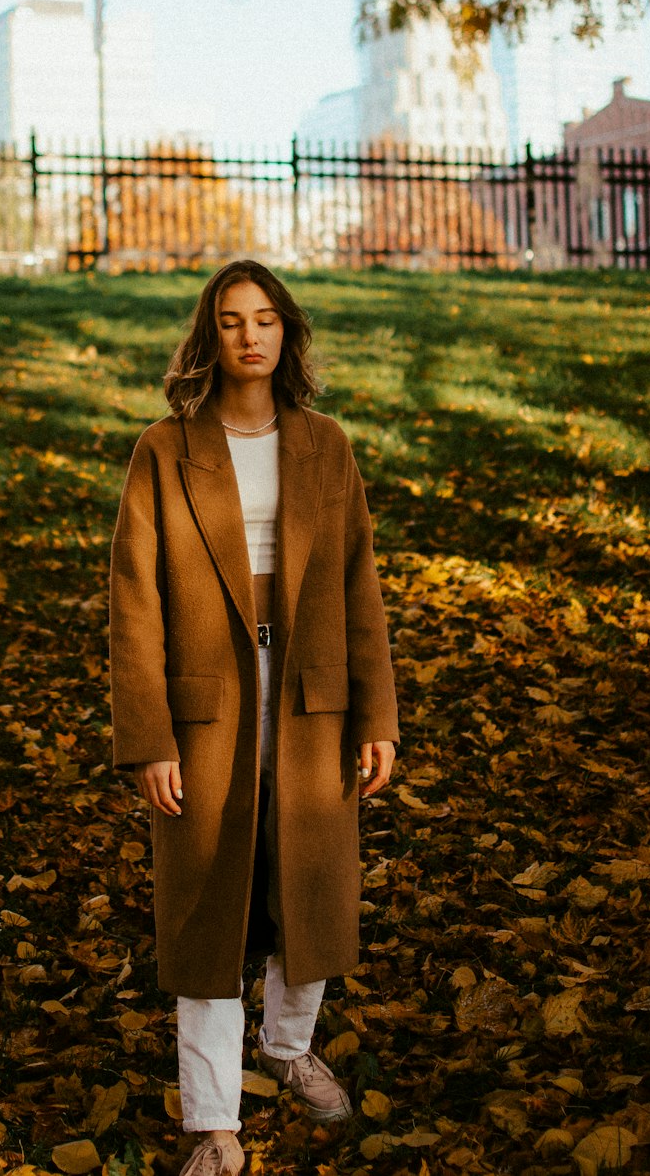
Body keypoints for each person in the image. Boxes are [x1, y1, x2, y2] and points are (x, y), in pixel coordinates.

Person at [108, 259, 399, 1176]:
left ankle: (287, 1046)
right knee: (207, 902)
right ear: (210, 334)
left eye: (265, 319)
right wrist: (147, 735)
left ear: (287, 333)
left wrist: (376, 715)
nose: (249, 336)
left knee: (308, 881)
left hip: (313, 696)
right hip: (207, 704)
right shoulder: (163, 450)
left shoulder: (328, 445)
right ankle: (213, 1122)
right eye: (231, 320)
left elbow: (361, 587)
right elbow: (135, 604)